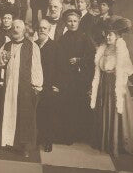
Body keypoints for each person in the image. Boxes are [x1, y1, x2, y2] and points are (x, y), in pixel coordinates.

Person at [0, 19, 43, 156]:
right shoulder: (7, 45)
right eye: (14, 27)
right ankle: (8, 141)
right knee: (9, 111)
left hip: (25, 88)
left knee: (25, 116)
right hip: (9, 86)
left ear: (23, 31)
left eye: (18, 27)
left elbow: (36, 67)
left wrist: (37, 85)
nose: (15, 29)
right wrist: (3, 59)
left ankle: (24, 147)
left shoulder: (32, 46)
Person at [90, 17, 133, 156]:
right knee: (105, 110)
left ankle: (117, 143)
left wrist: (116, 73)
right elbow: (100, 66)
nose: (107, 36)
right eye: (106, 33)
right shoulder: (103, 48)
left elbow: (127, 69)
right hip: (104, 84)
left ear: (118, 36)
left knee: (116, 111)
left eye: (110, 34)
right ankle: (105, 141)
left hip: (116, 84)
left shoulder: (121, 49)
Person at [54, 9, 96, 144]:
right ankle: (66, 135)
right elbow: (58, 58)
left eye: (75, 21)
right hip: (66, 77)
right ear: (66, 23)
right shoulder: (63, 38)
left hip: (80, 78)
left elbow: (92, 57)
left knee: (77, 106)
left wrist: (79, 60)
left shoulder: (85, 37)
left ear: (79, 22)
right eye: (69, 21)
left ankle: (77, 135)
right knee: (66, 105)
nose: (72, 24)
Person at [35, 19, 58, 152]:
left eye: (45, 28)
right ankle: (38, 137)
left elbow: (60, 67)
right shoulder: (34, 44)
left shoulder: (55, 46)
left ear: (49, 30)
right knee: (37, 112)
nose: (42, 30)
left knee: (48, 114)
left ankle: (48, 141)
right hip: (36, 85)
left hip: (49, 86)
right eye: (40, 28)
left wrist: (56, 84)